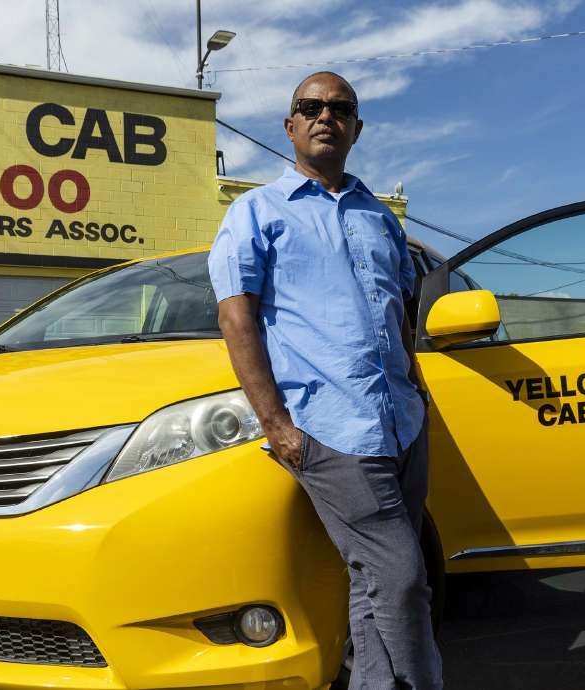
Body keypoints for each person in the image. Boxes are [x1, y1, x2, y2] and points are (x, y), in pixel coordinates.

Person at [208, 71, 443, 689]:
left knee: (372, 587)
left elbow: (403, 311)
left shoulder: (379, 217)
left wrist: (416, 385)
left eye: (340, 109)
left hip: (402, 425)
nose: (325, 117)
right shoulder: (256, 212)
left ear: (356, 128)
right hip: (331, 430)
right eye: (310, 107)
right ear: (290, 126)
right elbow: (236, 317)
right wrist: (277, 425)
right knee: (403, 579)